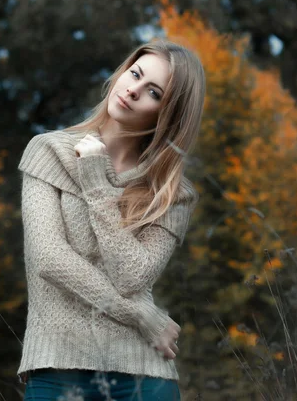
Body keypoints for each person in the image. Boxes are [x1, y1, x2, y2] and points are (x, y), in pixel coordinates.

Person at [17, 39, 205, 400]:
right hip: (58, 369)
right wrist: (142, 317)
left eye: (153, 92)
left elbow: (132, 274)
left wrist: (95, 184)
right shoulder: (49, 151)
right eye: (134, 74)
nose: (133, 91)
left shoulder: (172, 192)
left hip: (145, 375)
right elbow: (49, 259)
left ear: (167, 114)